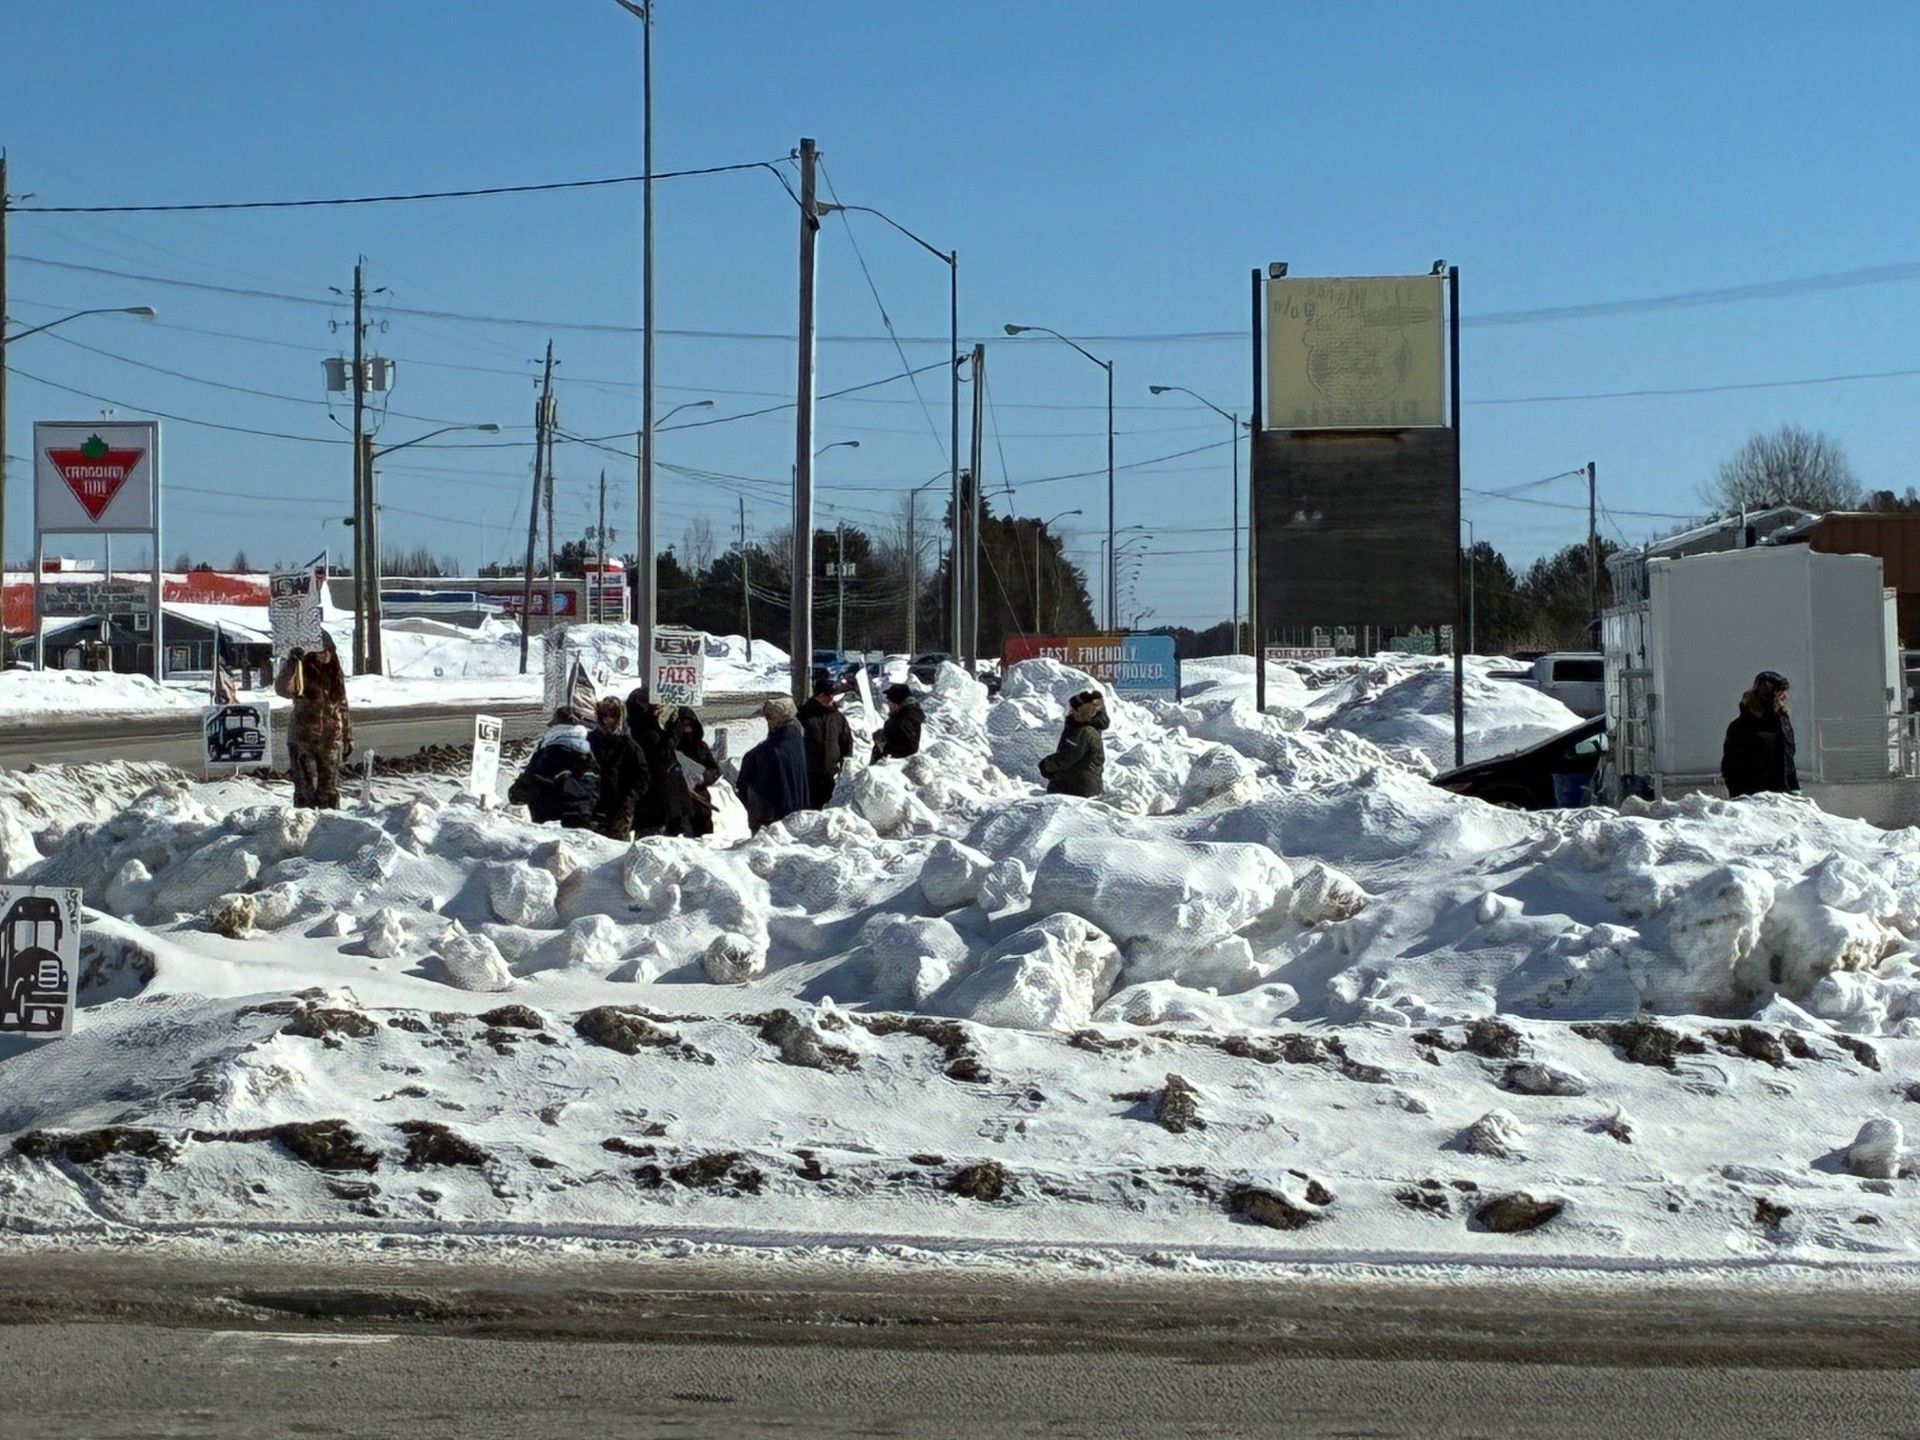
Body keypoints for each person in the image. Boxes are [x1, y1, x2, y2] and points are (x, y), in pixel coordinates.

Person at [274, 632, 352, 809]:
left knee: (329, 791)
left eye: (328, 650)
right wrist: (291, 664)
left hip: (331, 738)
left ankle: (329, 828)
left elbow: (343, 705)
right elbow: (283, 689)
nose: (325, 655)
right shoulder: (301, 671)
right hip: (303, 739)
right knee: (305, 790)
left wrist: (348, 736)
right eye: (320, 651)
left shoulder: (334, 674)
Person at [508, 707, 601, 828]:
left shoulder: (549, 752)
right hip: (585, 818)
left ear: (556, 726)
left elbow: (532, 782)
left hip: (554, 822)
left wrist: (515, 793)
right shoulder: (590, 753)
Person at [1721, 670, 1799, 798]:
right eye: (1777, 695)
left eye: (1782, 695)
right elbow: (1732, 768)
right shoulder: (1741, 727)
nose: (1781, 699)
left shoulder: (1783, 723)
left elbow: (1788, 758)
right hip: (1753, 798)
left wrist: (1793, 789)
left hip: (1784, 796)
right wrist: (1741, 796)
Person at [738, 696, 809, 833]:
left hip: (775, 809)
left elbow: (757, 781)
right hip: (792, 804)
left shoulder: (771, 750)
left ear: (781, 718)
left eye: (770, 717)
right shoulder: (795, 735)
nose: (767, 721)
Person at [586, 696, 649, 840]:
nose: (608, 720)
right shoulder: (590, 740)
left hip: (621, 806)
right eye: (604, 716)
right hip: (594, 804)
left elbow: (643, 776)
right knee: (592, 848)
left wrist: (630, 798)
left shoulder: (629, 744)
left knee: (618, 848)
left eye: (612, 716)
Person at [1038, 689, 1108, 797]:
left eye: (1073, 709)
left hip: (1078, 786)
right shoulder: (1083, 727)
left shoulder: (1085, 731)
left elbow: (1068, 757)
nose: (1070, 713)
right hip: (1085, 784)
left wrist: (1046, 765)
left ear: (1082, 711)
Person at [798, 677, 855, 809]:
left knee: (828, 808)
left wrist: (846, 759)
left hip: (830, 772)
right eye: (828, 695)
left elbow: (846, 739)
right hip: (809, 773)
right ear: (819, 695)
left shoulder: (837, 716)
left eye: (833, 695)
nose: (831, 698)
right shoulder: (803, 715)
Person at [674, 706, 722, 838]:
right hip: (677, 800)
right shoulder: (669, 747)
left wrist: (706, 777)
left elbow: (715, 769)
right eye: (682, 724)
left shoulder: (701, 746)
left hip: (700, 799)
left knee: (703, 841)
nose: (686, 728)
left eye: (689, 724)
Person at [872, 682, 924, 762]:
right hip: (888, 765)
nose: (888, 704)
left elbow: (909, 748)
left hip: (891, 767)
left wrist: (884, 746)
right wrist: (882, 734)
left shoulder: (905, 719)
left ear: (896, 703)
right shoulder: (901, 715)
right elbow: (897, 735)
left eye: (889, 701)